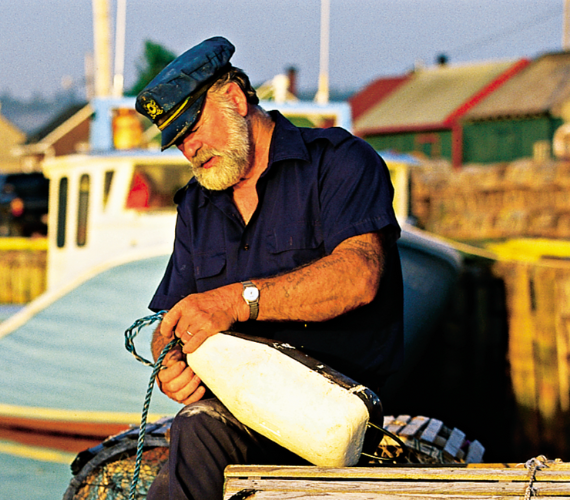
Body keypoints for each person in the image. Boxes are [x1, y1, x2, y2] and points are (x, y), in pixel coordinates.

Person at [135, 36, 404, 500]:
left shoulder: (340, 163)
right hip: (243, 413)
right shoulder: (197, 207)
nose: (190, 149)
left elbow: (359, 277)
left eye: (193, 127)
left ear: (236, 99)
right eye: (178, 140)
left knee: (197, 432)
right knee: (197, 424)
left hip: (342, 414)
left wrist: (237, 301)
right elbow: (171, 320)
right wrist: (170, 360)